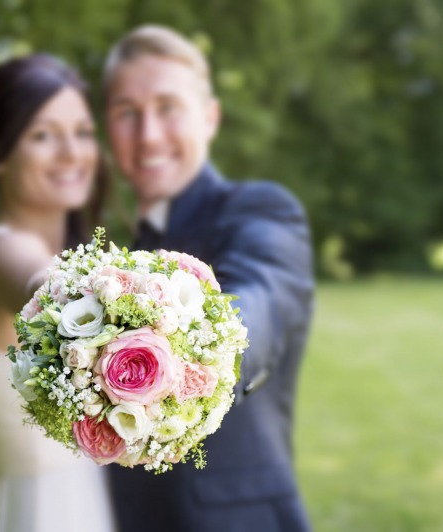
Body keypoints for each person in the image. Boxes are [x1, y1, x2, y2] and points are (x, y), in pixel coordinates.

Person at [103, 25, 315, 531]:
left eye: (168, 107)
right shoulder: (118, 261)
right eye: (127, 113)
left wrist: (188, 355)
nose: (148, 133)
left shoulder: (259, 210)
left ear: (210, 117)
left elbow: (259, 301)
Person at [0, 54, 116, 532]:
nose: (71, 152)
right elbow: (34, 281)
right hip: (48, 512)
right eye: (42, 135)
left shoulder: (59, 245)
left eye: (82, 131)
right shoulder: (1, 254)